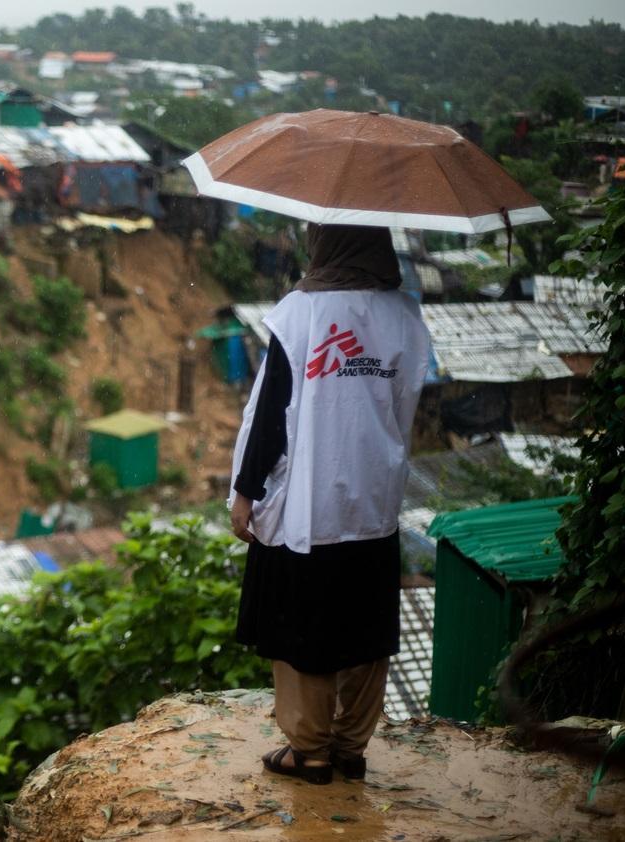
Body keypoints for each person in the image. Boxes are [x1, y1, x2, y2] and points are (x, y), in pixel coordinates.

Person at [228, 223, 431, 785]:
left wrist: (245, 491)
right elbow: (405, 404)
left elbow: (271, 414)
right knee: (365, 625)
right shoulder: (405, 315)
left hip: (311, 498)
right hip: (374, 497)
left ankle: (310, 751)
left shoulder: (301, 313)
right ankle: (350, 747)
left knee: (304, 626)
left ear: (327, 244)